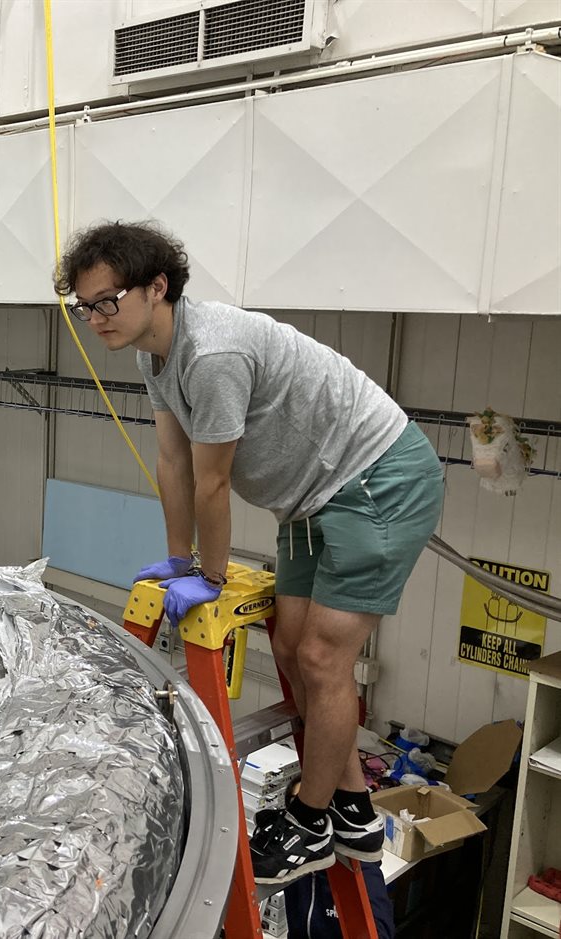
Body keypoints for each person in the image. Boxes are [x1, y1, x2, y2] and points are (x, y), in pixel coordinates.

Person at [55, 222, 444, 886]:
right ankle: (350, 806)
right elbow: (172, 463)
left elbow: (211, 482)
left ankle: (307, 819)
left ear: (157, 287)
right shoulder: (153, 355)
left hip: (376, 479)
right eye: (83, 306)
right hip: (312, 499)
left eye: (106, 300)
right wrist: (178, 561)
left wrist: (208, 573)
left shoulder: (210, 354)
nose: (94, 319)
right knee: (291, 651)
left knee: (323, 658)